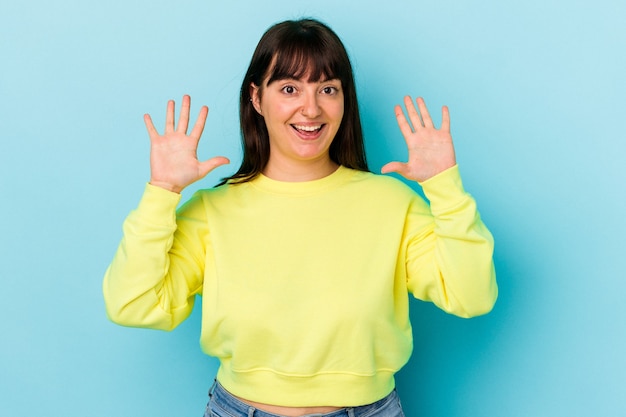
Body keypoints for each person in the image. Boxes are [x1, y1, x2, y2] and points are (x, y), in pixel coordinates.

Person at [103, 18, 497, 417]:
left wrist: (445, 189)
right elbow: (133, 304)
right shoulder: (212, 211)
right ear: (257, 98)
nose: (311, 108)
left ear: (345, 100)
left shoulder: (394, 204)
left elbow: (471, 297)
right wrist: (162, 193)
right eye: (290, 88)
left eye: (328, 89)